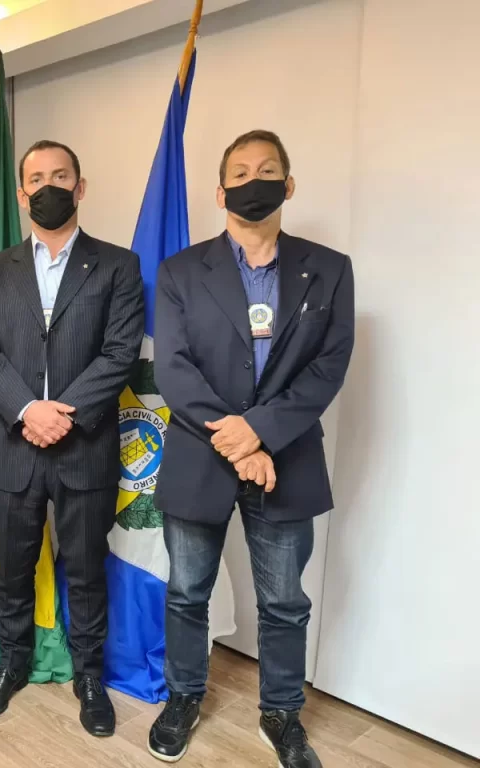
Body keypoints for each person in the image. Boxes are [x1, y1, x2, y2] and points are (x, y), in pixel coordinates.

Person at [146, 130, 355, 767]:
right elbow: (174, 369)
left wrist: (259, 432)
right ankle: (183, 697)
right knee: (187, 592)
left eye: (266, 171)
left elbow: (328, 366)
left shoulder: (330, 269)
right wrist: (239, 443)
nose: (252, 182)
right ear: (220, 192)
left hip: (287, 458)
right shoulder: (180, 271)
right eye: (239, 173)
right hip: (200, 455)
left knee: (285, 602)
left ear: (288, 185)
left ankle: (281, 713)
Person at [0, 140, 144, 737]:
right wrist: (27, 411)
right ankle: (11, 665)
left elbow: (120, 353)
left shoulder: (118, 265)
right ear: (21, 194)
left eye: (61, 176)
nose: (49, 187)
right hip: (14, 446)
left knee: (87, 571)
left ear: (80, 187)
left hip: (82, 446)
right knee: (14, 568)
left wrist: (62, 415)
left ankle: (89, 678)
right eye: (37, 178)